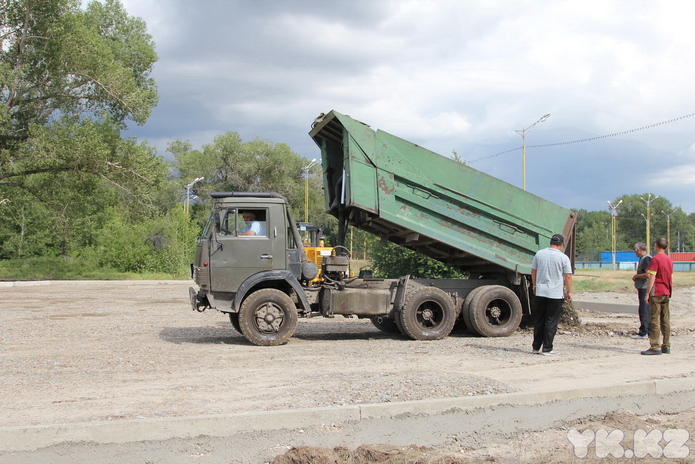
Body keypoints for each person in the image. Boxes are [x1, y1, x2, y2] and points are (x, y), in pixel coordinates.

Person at [531, 233, 573, 355]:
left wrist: (535, 285)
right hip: (555, 294)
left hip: (540, 292)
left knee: (539, 320)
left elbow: (533, 271)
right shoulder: (563, 257)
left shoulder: (539, 254)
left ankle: (535, 347)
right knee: (551, 321)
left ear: (550, 243)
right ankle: (547, 348)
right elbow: (568, 276)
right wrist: (569, 292)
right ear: (561, 245)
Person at [641, 237, 674, 355]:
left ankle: (655, 346)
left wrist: (647, 294)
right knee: (665, 319)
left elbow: (652, 277)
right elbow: (670, 276)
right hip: (666, 291)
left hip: (657, 292)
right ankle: (666, 345)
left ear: (656, 246)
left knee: (654, 319)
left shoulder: (655, 259)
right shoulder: (669, 260)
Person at [631, 243, 652, 339]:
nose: (634, 252)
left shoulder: (646, 259)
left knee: (644, 309)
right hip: (644, 287)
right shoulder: (644, 259)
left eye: (635, 250)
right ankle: (647, 330)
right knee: (645, 309)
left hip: (645, 287)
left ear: (638, 249)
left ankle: (644, 331)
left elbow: (648, 274)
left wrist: (637, 276)